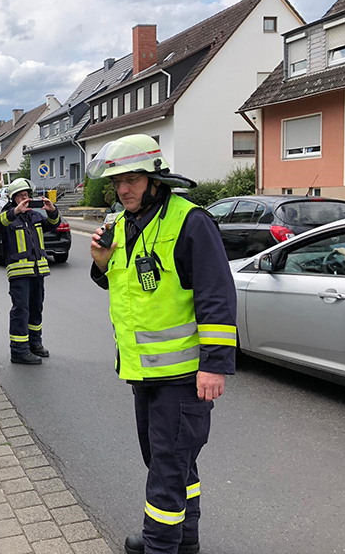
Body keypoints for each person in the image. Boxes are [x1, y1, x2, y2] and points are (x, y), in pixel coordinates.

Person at [86, 135, 237, 554]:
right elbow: (122, 285)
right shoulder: (120, 224)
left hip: (183, 377)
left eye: (132, 179)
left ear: (155, 179)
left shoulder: (191, 222)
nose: (123, 189)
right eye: (117, 181)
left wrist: (215, 364)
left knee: (166, 473)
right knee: (172, 465)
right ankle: (185, 541)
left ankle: (159, 545)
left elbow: (216, 295)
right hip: (142, 372)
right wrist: (100, 265)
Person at [0, 177, 62, 365]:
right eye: (21, 195)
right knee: (21, 311)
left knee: (36, 309)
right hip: (19, 273)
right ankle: (19, 351)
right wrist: (15, 212)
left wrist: (52, 210)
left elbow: (53, 225)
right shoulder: (7, 216)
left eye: (27, 195)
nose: (25, 198)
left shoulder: (35, 216)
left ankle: (34, 344)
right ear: (13, 198)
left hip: (38, 271)